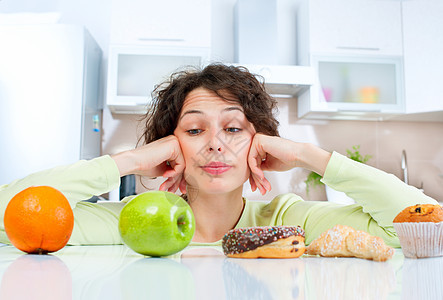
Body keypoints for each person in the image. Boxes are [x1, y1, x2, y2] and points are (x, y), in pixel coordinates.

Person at [0, 64, 438, 247]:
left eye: (233, 129)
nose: (215, 144)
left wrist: (308, 155)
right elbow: (10, 219)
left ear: (259, 146)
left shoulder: (289, 220)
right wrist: (128, 161)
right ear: (170, 147)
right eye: (194, 130)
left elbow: (425, 227)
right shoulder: (130, 223)